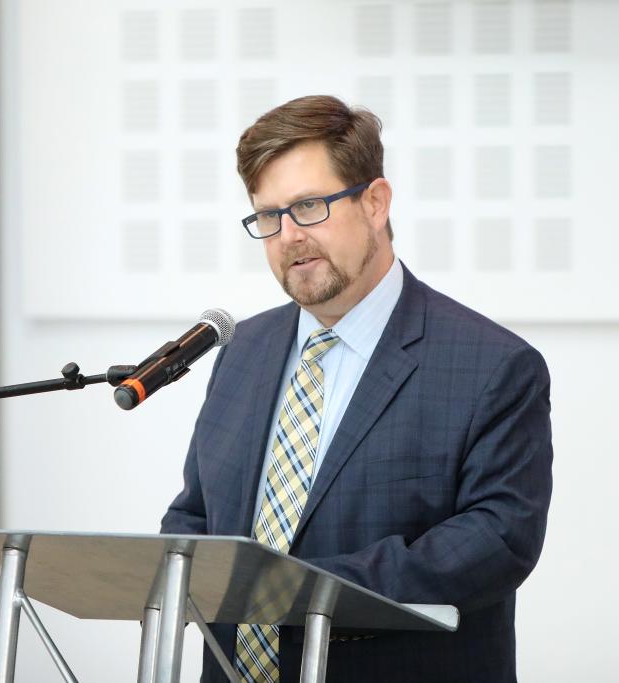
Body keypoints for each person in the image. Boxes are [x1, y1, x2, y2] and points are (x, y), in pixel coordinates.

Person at [160, 95, 552, 683]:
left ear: (375, 202)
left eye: (309, 206)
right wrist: (178, 564)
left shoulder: (492, 366)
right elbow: (194, 514)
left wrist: (300, 593)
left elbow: (497, 540)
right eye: (268, 217)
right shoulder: (241, 352)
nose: (288, 236)